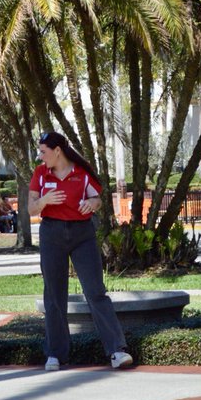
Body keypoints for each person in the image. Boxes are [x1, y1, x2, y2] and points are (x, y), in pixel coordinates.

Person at [29, 131, 132, 372]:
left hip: (82, 234)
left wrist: (91, 204)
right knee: (54, 295)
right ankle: (55, 354)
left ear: (57, 151)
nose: (40, 156)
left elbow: (97, 199)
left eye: (43, 152)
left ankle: (117, 350)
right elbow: (31, 209)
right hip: (51, 233)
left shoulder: (81, 173)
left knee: (95, 291)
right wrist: (44, 200)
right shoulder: (40, 174)